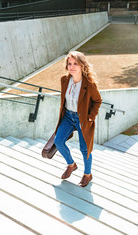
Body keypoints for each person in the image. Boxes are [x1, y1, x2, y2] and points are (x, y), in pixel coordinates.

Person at [54, 51, 102, 187]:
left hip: (83, 119)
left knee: (85, 148)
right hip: (68, 116)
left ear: (82, 66)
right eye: (69, 64)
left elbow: (97, 101)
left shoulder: (89, 84)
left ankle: (88, 174)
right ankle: (71, 164)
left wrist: (91, 118)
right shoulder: (64, 80)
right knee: (58, 141)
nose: (72, 67)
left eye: (75, 63)